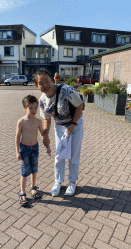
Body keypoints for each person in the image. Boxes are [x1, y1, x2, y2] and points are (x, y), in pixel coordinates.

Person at [33, 69, 84, 197]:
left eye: (47, 81)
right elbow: (47, 119)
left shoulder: (66, 90)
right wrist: (45, 136)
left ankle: (72, 182)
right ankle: (58, 181)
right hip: (60, 127)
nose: (45, 85)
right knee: (59, 156)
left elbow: (79, 106)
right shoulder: (42, 100)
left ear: (52, 80)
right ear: (37, 86)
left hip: (75, 125)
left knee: (73, 155)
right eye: (40, 83)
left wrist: (73, 124)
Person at [15, 95, 51, 206]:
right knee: (25, 171)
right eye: (30, 108)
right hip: (24, 149)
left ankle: (33, 187)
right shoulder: (21, 121)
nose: (34, 110)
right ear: (24, 108)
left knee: (34, 169)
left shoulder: (38, 121)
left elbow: (43, 135)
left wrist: (47, 146)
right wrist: (17, 151)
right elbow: (17, 137)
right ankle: (22, 191)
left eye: (36, 108)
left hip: (35, 148)